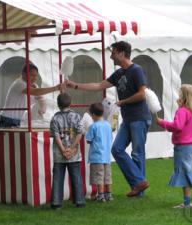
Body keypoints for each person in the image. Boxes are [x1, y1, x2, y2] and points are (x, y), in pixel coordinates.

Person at [66, 41, 151, 197]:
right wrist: (75, 85)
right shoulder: (118, 73)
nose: (111, 55)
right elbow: (99, 85)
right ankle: (139, 182)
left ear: (121, 53)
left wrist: (122, 102)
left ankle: (139, 191)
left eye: (113, 52)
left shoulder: (137, 70)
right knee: (116, 149)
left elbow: (142, 94)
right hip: (128, 119)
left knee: (137, 154)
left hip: (140, 117)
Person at [156, 84, 192, 208]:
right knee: (186, 173)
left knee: (186, 171)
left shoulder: (182, 111)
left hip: (183, 147)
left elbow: (177, 126)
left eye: (180, 95)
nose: (178, 97)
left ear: (185, 97)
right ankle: (187, 203)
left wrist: (162, 123)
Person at [0, 64, 64, 128]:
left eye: (36, 76)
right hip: (7, 120)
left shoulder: (33, 85)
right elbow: (36, 92)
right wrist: (55, 88)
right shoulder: (19, 83)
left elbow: (41, 99)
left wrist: (42, 108)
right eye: (32, 75)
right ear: (24, 74)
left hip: (17, 120)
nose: (34, 78)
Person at [49, 92, 85, 209]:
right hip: (73, 154)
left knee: (58, 178)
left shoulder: (55, 118)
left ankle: (56, 203)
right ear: (71, 104)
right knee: (76, 176)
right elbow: (80, 133)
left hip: (59, 154)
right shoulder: (76, 116)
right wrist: (72, 147)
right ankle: (79, 201)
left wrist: (63, 150)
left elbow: (56, 136)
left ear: (58, 105)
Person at [86, 102, 113, 202]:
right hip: (106, 156)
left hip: (97, 156)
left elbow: (89, 140)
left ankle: (100, 195)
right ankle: (109, 195)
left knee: (99, 176)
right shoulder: (108, 125)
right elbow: (110, 138)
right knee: (107, 176)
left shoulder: (93, 126)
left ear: (93, 115)